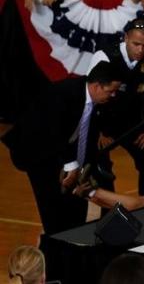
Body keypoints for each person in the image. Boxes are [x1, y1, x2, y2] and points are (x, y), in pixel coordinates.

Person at [2, 61, 122, 234]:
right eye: (111, 91)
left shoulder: (98, 102)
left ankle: (72, 240)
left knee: (76, 209)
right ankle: (55, 247)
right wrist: (70, 164)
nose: (113, 95)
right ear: (96, 86)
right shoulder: (63, 94)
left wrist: (83, 168)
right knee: (53, 213)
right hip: (39, 154)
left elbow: (88, 137)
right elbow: (52, 132)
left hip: (65, 154)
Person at [87, 18, 144, 196]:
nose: (140, 49)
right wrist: (99, 132)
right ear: (125, 38)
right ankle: (108, 213)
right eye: (136, 44)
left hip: (130, 121)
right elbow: (91, 97)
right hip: (102, 120)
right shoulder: (104, 57)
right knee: (102, 169)